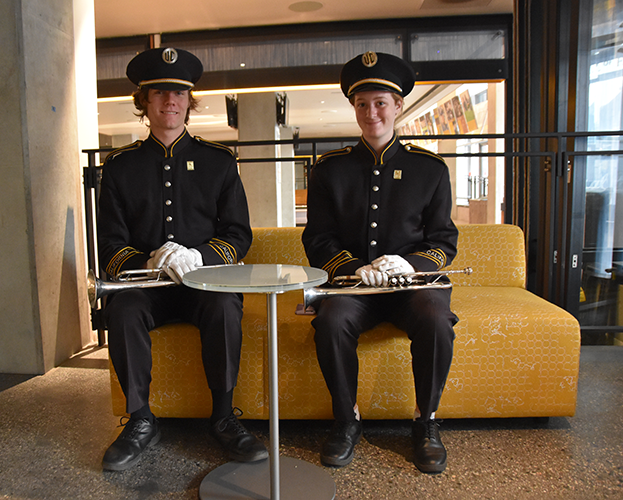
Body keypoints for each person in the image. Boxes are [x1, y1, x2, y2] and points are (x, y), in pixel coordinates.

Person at [96, 47, 268, 471]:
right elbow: (111, 246)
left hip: (203, 283)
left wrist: (198, 254)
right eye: (158, 92)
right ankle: (139, 420)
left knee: (226, 305)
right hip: (146, 286)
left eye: (178, 92)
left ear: (190, 100)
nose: (169, 100)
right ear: (144, 102)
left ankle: (225, 417)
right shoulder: (119, 167)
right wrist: (151, 260)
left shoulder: (220, 162)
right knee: (122, 309)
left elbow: (237, 235)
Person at [302, 51, 459, 474]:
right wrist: (352, 267)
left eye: (381, 103)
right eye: (362, 104)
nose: (372, 113)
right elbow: (317, 236)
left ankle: (425, 421)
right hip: (356, 288)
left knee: (435, 318)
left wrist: (411, 263)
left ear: (398, 106)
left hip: (412, 285)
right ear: (354, 108)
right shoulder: (328, 170)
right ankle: (346, 419)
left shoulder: (430, 169)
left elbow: (444, 240)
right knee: (331, 320)